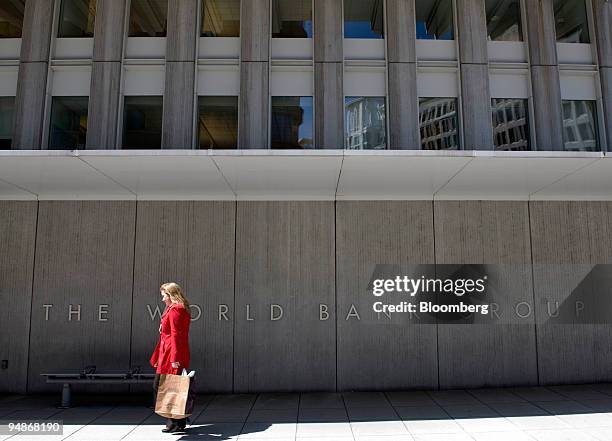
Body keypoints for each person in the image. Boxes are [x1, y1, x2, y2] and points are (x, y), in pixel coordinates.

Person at [149, 282, 191, 433]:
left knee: (165, 386)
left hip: (171, 354)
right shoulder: (175, 308)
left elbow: (176, 335)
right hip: (168, 352)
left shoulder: (176, 310)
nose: (162, 299)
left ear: (171, 295)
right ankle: (177, 421)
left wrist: (174, 359)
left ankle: (176, 421)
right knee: (172, 387)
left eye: (164, 296)